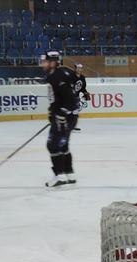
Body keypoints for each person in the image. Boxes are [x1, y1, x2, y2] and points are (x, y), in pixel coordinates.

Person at [40, 50, 80, 187]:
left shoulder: (57, 76)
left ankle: (60, 176)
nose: (42, 64)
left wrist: (61, 113)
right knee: (63, 145)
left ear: (53, 62)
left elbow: (72, 100)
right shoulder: (63, 73)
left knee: (52, 145)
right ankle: (69, 173)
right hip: (68, 116)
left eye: (44, 61)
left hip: (64, 118)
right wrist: (53, 111)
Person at [72, 63, 90, 131]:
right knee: (68, 111)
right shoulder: (71, 76)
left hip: (76, 97)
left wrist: (85, 92)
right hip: (69, 96)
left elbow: (83, 88)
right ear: (75, 68)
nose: (79, 69)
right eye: (78, 68)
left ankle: (73, 126)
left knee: (75, 112)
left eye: (81, 68)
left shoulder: (82, 78)